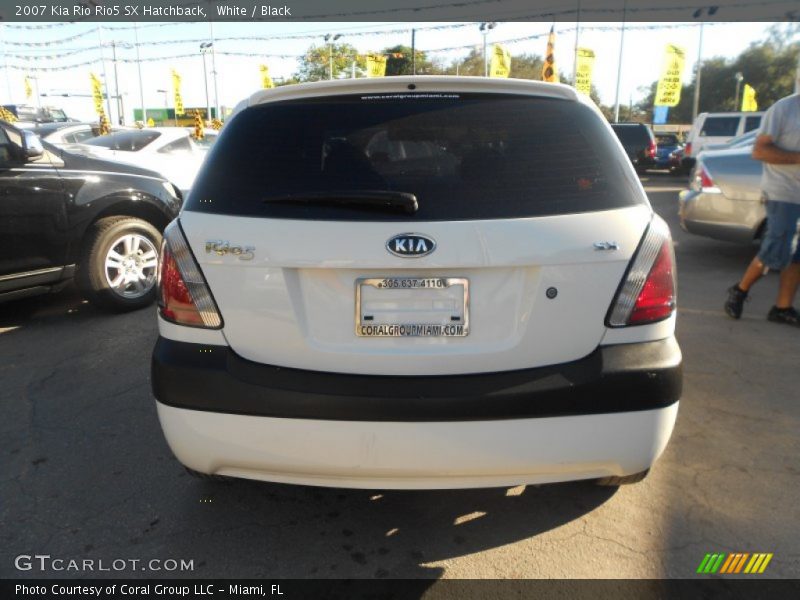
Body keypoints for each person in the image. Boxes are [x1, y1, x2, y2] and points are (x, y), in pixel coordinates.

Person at [725, 89, 800, 326]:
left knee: (798, 254)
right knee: (777, 247)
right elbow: (759, 150)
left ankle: (782, 308)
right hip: (783, 191)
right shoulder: (784, 109)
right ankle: (740, 290)